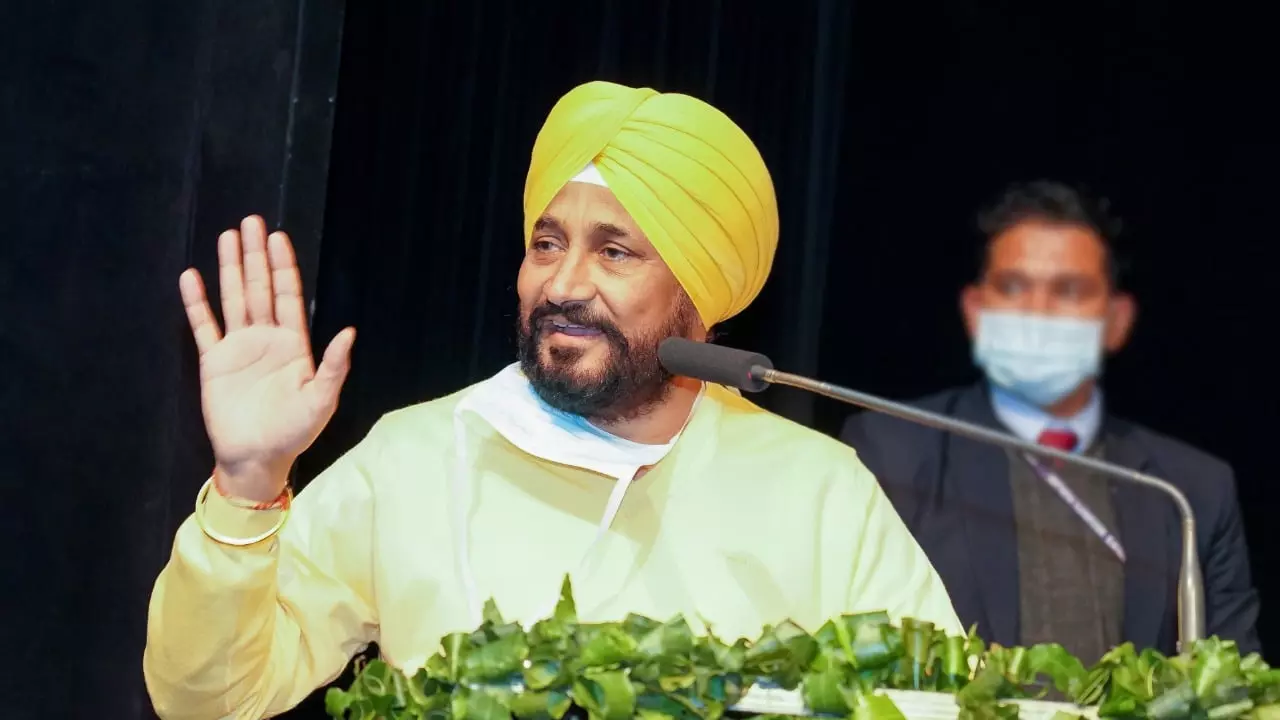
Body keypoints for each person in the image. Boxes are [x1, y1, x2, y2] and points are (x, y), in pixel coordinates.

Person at [143, 81, 960, 719]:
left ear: (700, 297)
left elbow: (942, 703)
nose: (564, 284)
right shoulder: (415, 457)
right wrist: (247, 484)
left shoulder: (817, 491)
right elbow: (211, 700)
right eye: (546, 243)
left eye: (615, 252)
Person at [839, 180, 1260, 663]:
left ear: (1117, 319)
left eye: (1069, 290)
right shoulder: (894, 450)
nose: (1036, 312)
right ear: (974, 310)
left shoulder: (1193, 490)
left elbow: (1230, 681)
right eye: (1012, 287)